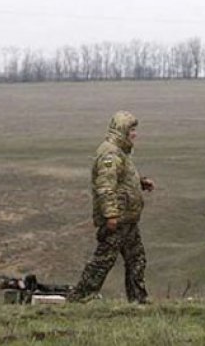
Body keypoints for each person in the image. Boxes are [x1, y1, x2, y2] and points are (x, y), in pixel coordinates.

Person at [69, 111, 155, 303]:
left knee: (136, 259)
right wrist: (111, 216)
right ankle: (81, 297)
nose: (135, 134)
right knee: (103, 260)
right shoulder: (110, 154)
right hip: (118, 220)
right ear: (122, 130)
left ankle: (138, 299)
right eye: (132, 130)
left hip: (128, 219)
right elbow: (106, 186)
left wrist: (140, 183)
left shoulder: (120, 153)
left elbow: (122, 180)